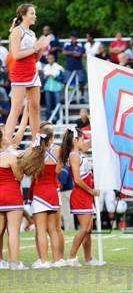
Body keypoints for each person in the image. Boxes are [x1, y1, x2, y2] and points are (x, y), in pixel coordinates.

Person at [5, 4, 50, 144]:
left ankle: (36, 142)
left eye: (34, 13)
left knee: (35, 108)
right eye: (32, 13)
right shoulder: (17, 31)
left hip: (32, 72)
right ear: (24, 15)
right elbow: (16, 55)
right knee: (16, 109)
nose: (35, 16)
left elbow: (35, 58)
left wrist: (41, 48)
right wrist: (35, 47)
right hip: (19, 73)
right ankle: (5, 143)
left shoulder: (32, 33)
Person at [22, 122, 64, 268]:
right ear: (51, 139)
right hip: (53, 191)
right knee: (53, 229)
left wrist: (35, 145)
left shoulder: (34, 153)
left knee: (41, 230)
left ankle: (44, 261)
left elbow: (24, 165)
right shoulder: (58, 150)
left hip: (40, 193)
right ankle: (57, 260)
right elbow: (59, 170)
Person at [61, 127, 101, 267]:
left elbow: (89, 144)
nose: (84, 141)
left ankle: (88, 258)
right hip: (81, 195)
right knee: (84, 228)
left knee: (88, 229)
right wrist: (91, 191)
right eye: (82, 138)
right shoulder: (74, 156)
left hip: (85, 195)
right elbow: (77, 179)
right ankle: (71, 257)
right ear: (75, 140)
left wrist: (99, 132)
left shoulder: (78, 153)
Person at [0, 106, 28, 270]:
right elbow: (19, 177)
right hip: (12, 195)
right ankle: (15, 263)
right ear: (2, 140)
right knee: (13, 231)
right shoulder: (11, 157)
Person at [63, 31, 86, 103]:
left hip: (78, 66)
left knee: (81, 82)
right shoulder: (67, 43)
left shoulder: (80, 44)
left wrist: (69, 53)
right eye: (72, 36)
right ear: (70, 37)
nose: (73, 38)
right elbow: (64, 52)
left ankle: (81, 97)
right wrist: (73, 52)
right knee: (67, 82)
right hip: (69, 66)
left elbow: (79, 54)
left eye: (74, 36)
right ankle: (70, 98)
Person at [42, 53, 64, 123]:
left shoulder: (59, 67)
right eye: (48, 58)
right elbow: (43, 79)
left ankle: (57, 118)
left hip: (56, 88)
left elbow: (62, 78)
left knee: (57, 103)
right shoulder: (45, 67)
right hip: (47, 88)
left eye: (51, 58)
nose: (50, 60)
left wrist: (55, 77)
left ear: (54, 59)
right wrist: (46, 77)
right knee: (48, 104)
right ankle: (48, 118)